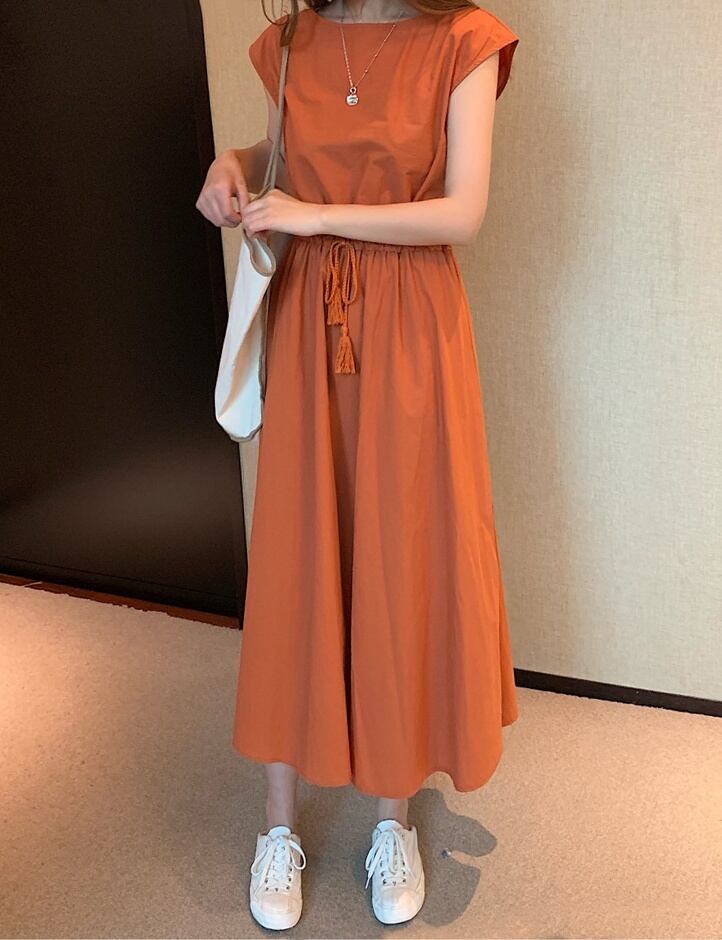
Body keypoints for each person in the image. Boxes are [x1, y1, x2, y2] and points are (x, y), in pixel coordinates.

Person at [196, 0, 520, 930]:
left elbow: (462, 210)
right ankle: (277, 826)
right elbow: (282, 155)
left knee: (398, 559)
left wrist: (316, 214)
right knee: (297, 558)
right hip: (308, 320)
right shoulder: (293, 39)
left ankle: (392, 819)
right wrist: (233, 166)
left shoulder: (463, 40)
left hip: (413, 330)